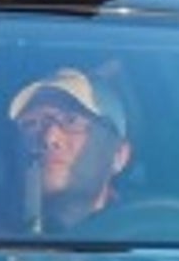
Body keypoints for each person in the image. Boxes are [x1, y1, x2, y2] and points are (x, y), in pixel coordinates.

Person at [11, 67, 134, 235]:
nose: (49, 138)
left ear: (119, 155)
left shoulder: (154, 235)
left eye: (71, 121)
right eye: (32, 123)